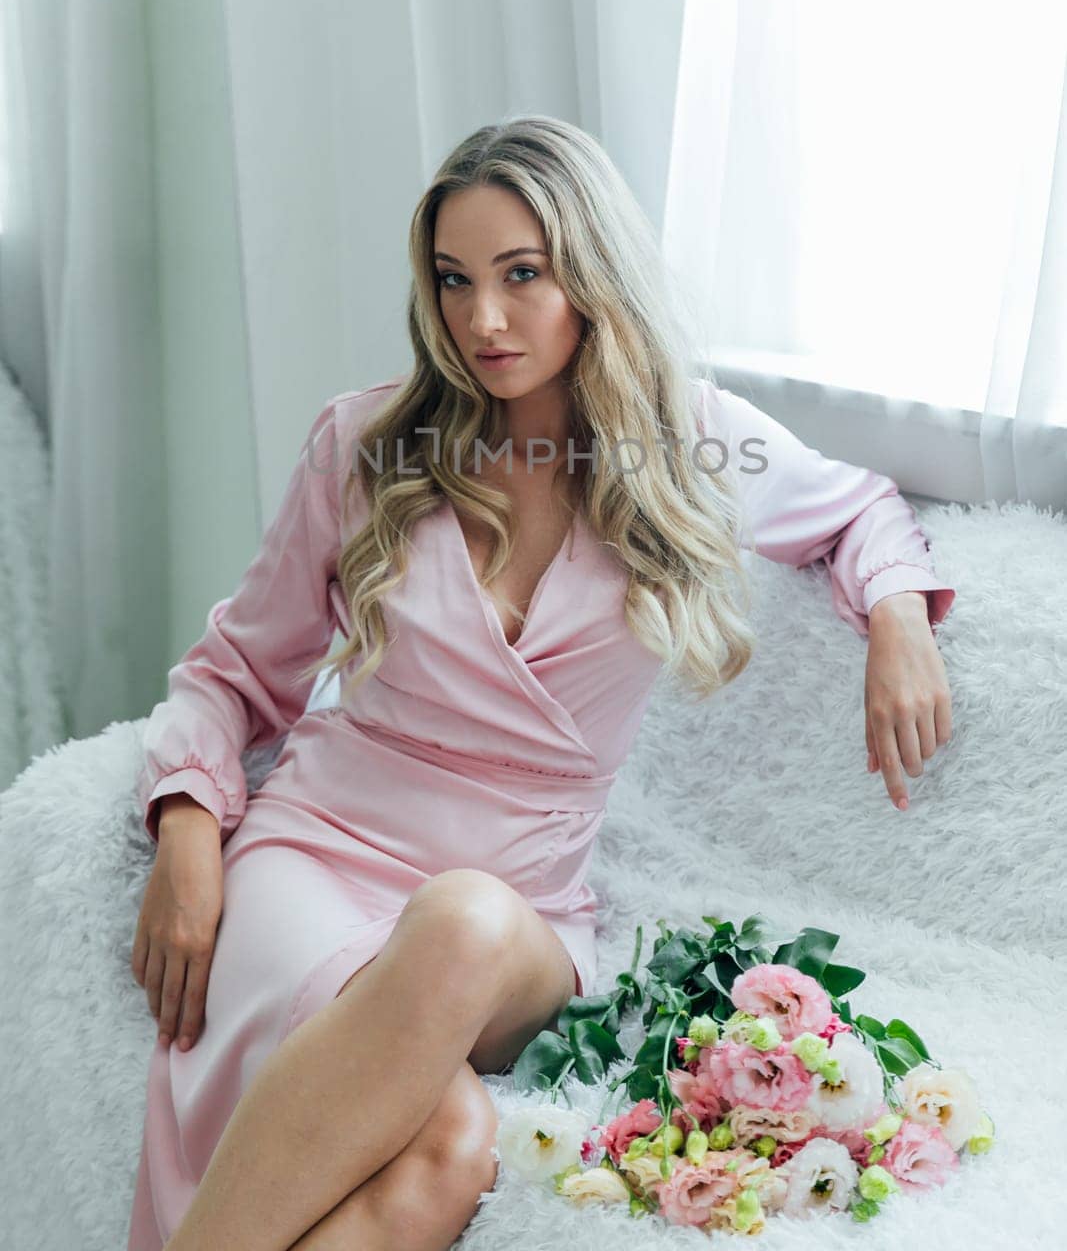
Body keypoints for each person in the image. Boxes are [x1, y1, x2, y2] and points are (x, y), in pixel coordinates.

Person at [127, 116, 955, 1251]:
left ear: (591, 273)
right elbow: (234, 670)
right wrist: (184, 827)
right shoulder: (364, 445)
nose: (482, 319)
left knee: (459, 920)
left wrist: (898, 620)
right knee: (447, 1146)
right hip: (319, 856)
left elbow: (859, 507)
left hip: (512, 915)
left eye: (522, 274)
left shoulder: (693, 446)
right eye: (454, 280)